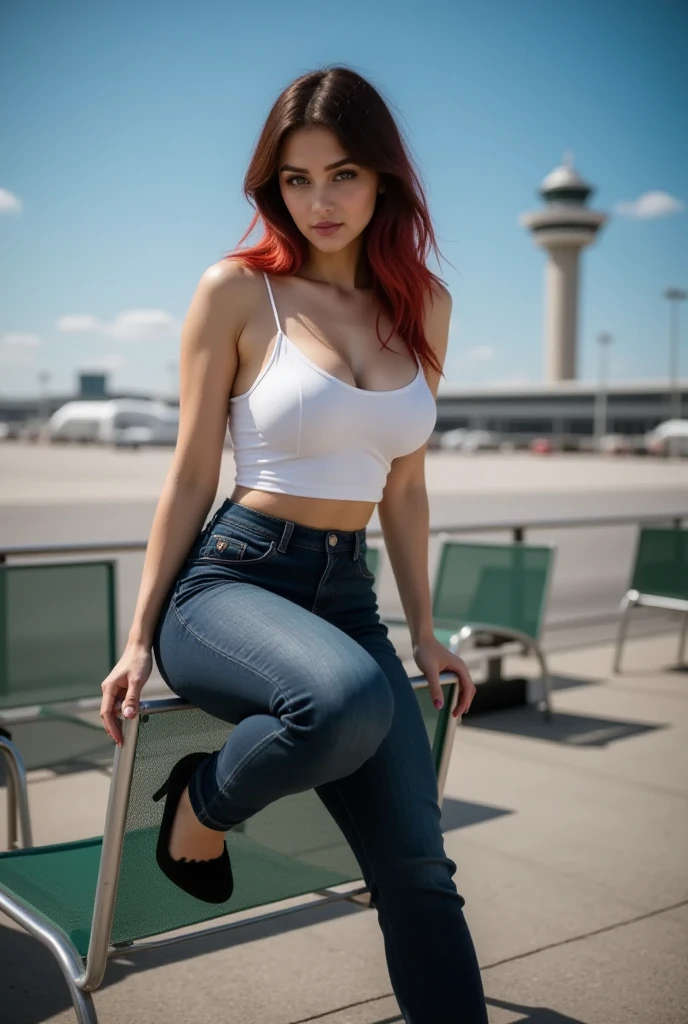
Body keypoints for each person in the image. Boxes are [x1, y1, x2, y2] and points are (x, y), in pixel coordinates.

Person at [99, 65, 488, 1023]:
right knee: (345, 698)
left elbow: (406, 488)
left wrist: (427, 632)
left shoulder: (423, 306)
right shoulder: (237, 293)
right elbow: (191, 477)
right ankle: (199, 805)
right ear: (272, 185)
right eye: (296, 179)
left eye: (343, 174)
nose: (318, 200)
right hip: (229, 587)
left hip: (344, 597)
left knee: (422, 871)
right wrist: (140, 637)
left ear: (385, 180)